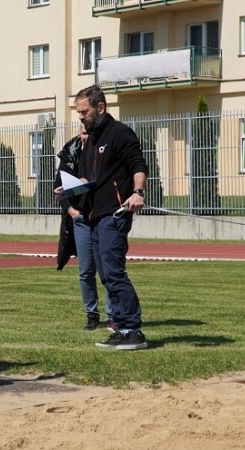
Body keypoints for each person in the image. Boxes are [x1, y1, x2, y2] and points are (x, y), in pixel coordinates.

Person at [73, 85, 149, 350]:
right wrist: (71, 187)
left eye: (84, 112)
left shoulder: (119, 133)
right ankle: (118, 328)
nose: (81, 117)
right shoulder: (91, 141)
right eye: (78, 113)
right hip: (95, 217)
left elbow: (138, 165)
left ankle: (134, 330)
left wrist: (138, 192)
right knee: (105, 275)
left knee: (114, 273)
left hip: (114, 216)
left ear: (100, 108)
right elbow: (90, 180)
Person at [53, 124, 116, 332]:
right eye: (83, 132)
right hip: (81, 217)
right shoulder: (71, 151)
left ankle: (113, 315)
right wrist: (72, 211)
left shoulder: (104, 148)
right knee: (86, 270)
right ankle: (92, 314)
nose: (85, 136)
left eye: (88, 133)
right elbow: (58, 186)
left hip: (102, 215)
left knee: (107, 269)